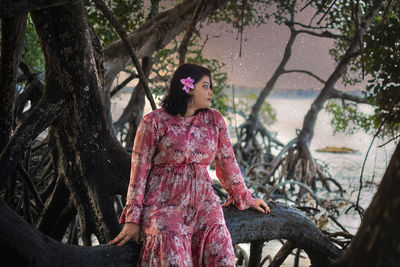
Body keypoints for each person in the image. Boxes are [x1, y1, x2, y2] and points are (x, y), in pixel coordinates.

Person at [110, 63, 270, 266]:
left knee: (223, 258)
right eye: (205, 86)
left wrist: (245, 197)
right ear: (188, 87)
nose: (211, 91)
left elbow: (227, 162)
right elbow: (139, 172)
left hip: (205, 204)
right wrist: (133, 219)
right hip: (164, 206)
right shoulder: (154, 122)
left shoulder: (214, 120)